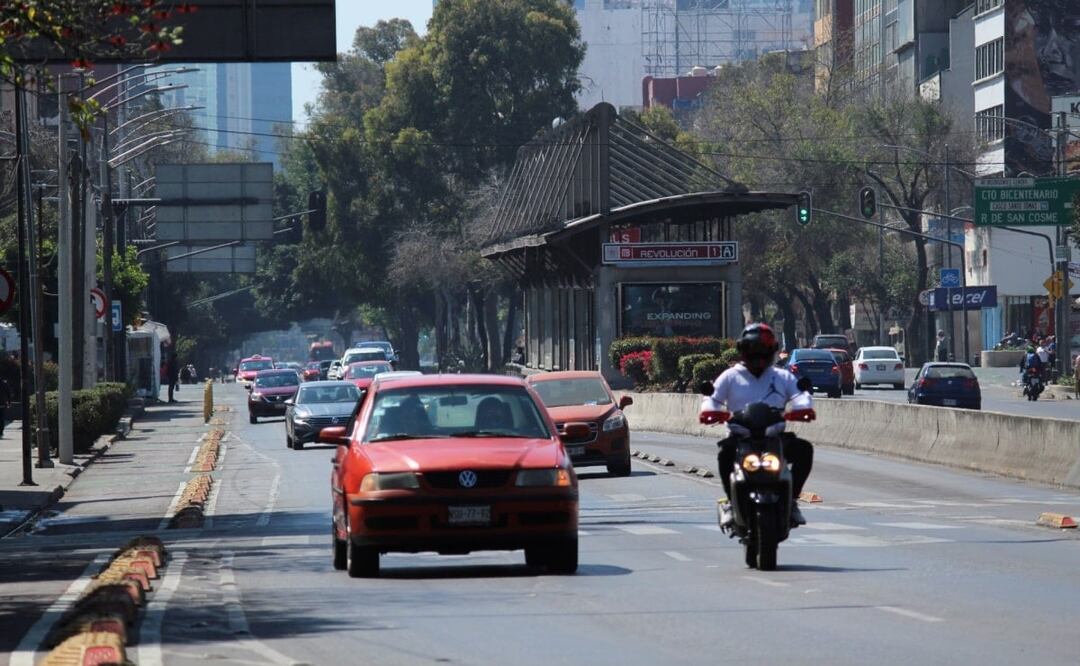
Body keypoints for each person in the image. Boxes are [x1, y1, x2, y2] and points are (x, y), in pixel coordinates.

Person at [707, 323, 814, 530]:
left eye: (763, 350)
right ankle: (730, 502)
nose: (758, 355)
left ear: (772, 351)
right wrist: (710, 411)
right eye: (752, 350)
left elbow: (800, 395)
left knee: (804, 450)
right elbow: (712, 398)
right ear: (743, 351)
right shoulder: (730, 376)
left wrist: (804, 407)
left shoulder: (781, 376)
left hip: (773, 437)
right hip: (741, 437)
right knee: (724, 454)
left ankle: (791, 500)